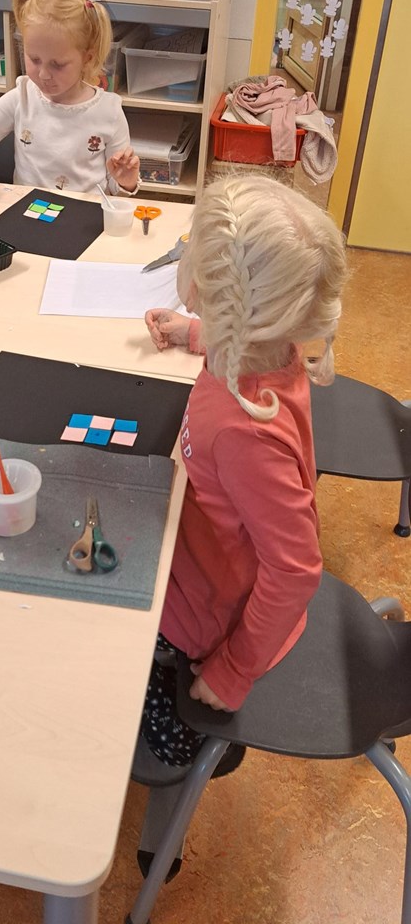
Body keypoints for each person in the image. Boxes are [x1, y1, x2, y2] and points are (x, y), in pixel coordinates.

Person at [141, 174, 347, 772]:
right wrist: (196, 334)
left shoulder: (243, 431)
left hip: (208, 612)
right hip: (205, 551)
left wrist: (231, 671)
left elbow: (296, 569)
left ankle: (197, 740)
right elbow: (244, 341)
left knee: (136, 689)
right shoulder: (269, 349)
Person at [0, 0, 140, 195]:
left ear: (87, 58)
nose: (43, 74)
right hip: (29, 208)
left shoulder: (109, 112)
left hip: (84, 211)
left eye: (57, 64)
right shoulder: (22, 96)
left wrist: (126, 182)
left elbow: (117, 189)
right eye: (34, 59)